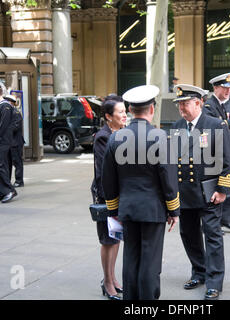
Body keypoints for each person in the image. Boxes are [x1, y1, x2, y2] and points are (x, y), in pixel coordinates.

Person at [102, 85, 180, 300]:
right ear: (152, 109)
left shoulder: (115, 138)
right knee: (150, 262)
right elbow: (168, 178)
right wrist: (173, 210)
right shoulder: (161, 137)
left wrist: (114, 208)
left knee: (131, 258)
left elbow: (107, 179)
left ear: (129, 110)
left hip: (127, 208)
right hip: (153, 209)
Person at [171, 84, 230, 300]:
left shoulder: (215, 124)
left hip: (209, 192)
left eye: (185, 103)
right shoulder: (177, 125)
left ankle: (214, 281)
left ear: (198, 103)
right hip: (185, 192)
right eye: (179, 103)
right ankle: (199, 271)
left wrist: (223, 189)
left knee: (212, 235)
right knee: (188, 234)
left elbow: (227, 160)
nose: (181, 107)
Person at [91, 94, 127, 300]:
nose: (124, 115)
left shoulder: (122, 132)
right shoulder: (103, 137)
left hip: (121, 194)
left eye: (124, 111)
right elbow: (105, 172)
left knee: (116, 238)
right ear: (108, 116)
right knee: (107, 240)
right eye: (120, 112)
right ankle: (107, 282)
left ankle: (113, 278)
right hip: (108, 196)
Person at [203, 73, 230, 231]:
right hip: (213, 153)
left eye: (229, 88)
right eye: (224, 88)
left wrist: (227, 124)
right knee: (217, 186)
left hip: (228, 152)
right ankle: (214, 222)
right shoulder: (208, 106)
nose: (227, 91)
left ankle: (224, 219)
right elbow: (212, 128)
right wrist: (228, 122)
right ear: (215, 87)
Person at [5, 95, 25, 188]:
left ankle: (19, 181)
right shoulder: (8, 112)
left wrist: (3, 130)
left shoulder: (16, 113)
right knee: (8, 163)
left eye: (7, 102)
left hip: (15, 142)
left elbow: (15, 127)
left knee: (17, 162)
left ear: (11, 103)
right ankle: (7, 182)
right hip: (9, 142)